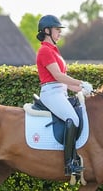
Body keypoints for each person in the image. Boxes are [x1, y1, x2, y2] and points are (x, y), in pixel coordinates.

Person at [36, 14, 94, 177]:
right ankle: (69, 163)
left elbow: (65, 82)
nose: (59, 33)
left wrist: (80, 90)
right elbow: (58, 76)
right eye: (57, 30)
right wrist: (81, 82)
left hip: (60, 91)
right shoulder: (45, 51)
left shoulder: (55, 51)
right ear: (47, 31)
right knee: (73, 119)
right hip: (51, 93)